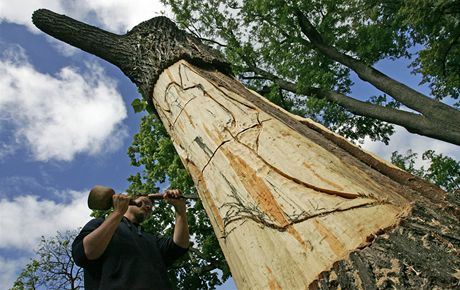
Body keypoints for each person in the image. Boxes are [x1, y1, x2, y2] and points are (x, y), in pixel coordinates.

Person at [72, 189, 189, 290]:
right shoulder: (101, 223)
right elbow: (85, 253)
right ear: (130, 201)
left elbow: (179, 246)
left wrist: (180, 210)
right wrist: (118, 212)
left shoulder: (151, 239)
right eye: (145, 202)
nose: (149, 207)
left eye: (151, 207)